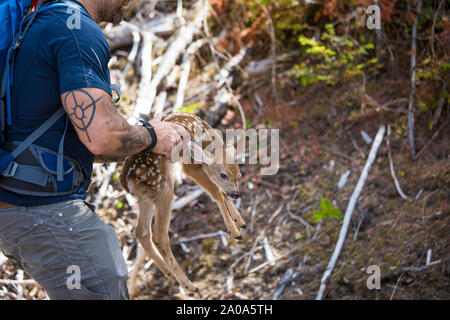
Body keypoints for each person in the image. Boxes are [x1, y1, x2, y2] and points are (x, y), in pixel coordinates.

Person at [0, 0, 187, 299]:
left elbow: (85, 144)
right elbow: (101, 136)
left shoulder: (38, 24)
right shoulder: (76, 30)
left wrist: (145, 139)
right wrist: (152, 135)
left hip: (20, 210)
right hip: (46, 213)